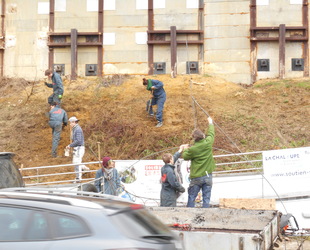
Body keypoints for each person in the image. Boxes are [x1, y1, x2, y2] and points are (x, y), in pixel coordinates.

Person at [182, 117, 215, 208]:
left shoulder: (193, 149)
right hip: (208, 175)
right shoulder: (208, 143)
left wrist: (185, 149)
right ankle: (205, 216)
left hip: (196, 177)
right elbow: (211, 134)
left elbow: (185, 156)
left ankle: (189, 216)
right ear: (203, 136)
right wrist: (210, 123)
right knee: (206, 199)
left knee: (191, 197)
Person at [66, 116, 89, 182]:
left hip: (79, 147)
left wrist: (70, 145)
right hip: (77, 148)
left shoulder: (77, 129)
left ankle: (78, 178)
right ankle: (84, 168)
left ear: (74, 122)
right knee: (75, 162)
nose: (70, 124)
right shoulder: (75, 129)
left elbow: (78, 141)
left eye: (70, 123)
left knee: (77, 163)